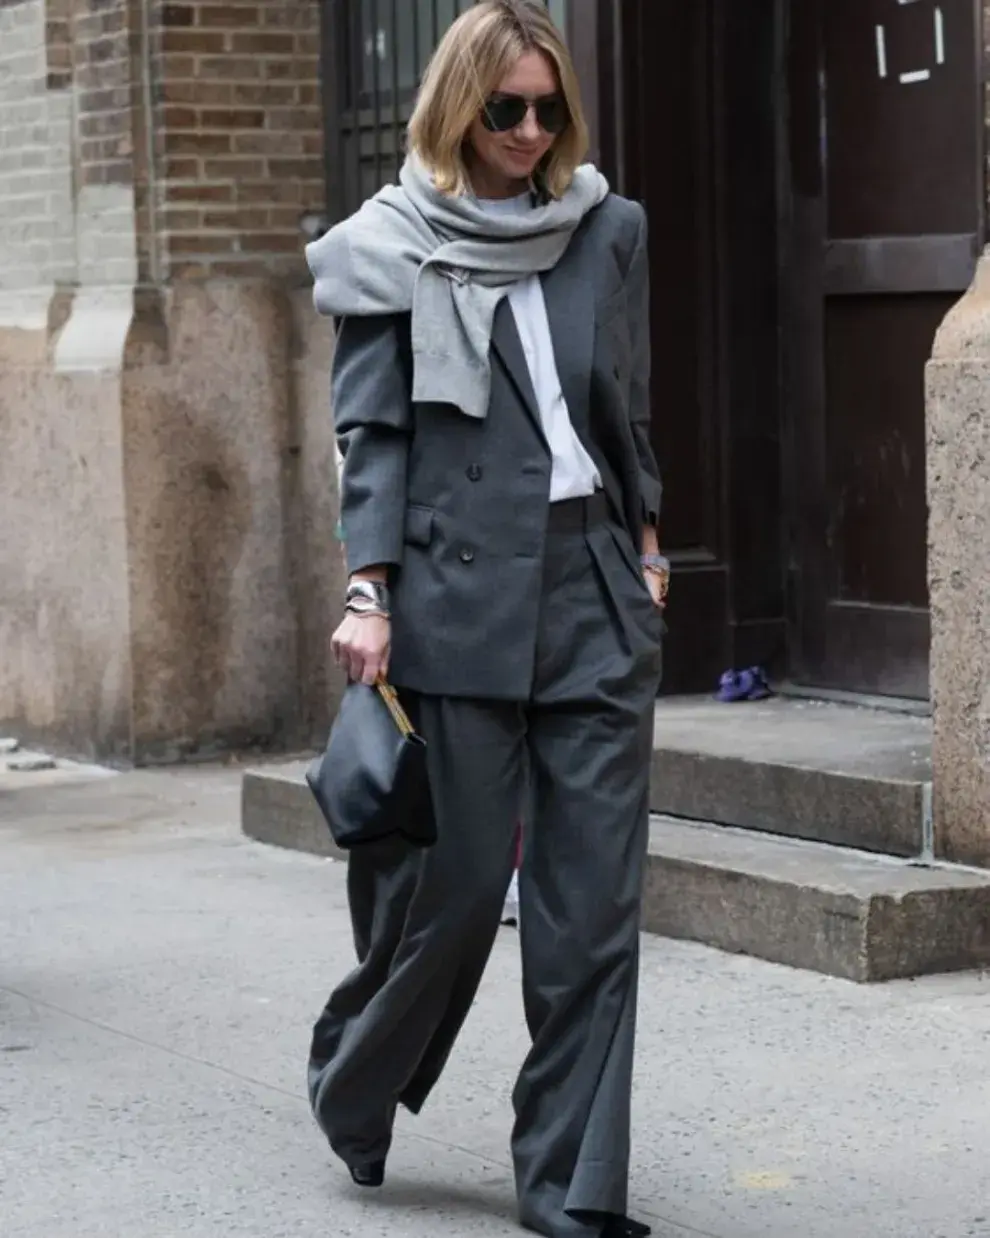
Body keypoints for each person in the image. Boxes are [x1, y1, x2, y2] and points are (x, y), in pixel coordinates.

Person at [303, 3, 668, 1235]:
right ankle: (356, 1071)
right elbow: (376, 433)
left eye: (548, 108)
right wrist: (369, 592)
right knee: (457, 893)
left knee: (590, 913)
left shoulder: (604, 229)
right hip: (457, 599)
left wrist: (649, 542)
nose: (530, 131)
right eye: (506, 108)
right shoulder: (387, 246)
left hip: (593, 593)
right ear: (458, 107)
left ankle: (570, 1189)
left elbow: (625, 404)